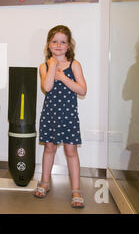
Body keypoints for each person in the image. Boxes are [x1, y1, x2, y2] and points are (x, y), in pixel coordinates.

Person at [34, 25, 87, 208]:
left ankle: (76, 190)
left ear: (68, 45)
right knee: (49, 148)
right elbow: (47, 87)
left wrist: (63, 77)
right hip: (50, 114)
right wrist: (53, 66)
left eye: (63, 42)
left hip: (69, 115)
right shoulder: (44, 66)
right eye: (54, 41)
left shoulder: (75, 65)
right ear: (49, 44)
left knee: (71, 151)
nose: (58, 45)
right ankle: (45, 182)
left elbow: (82, 89)